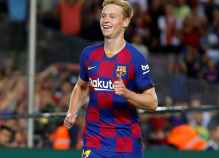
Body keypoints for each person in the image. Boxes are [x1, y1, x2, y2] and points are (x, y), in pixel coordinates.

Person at [64, 0, 158, 157]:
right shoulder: (89, 54)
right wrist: (71, 112)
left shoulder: (135, 58)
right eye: (103, 16)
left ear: (125, 22)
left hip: (126, 144)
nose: (106, 20)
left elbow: (152, 102)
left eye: (112, 17)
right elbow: (81, 86)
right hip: (94, 142)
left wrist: (127, 93)